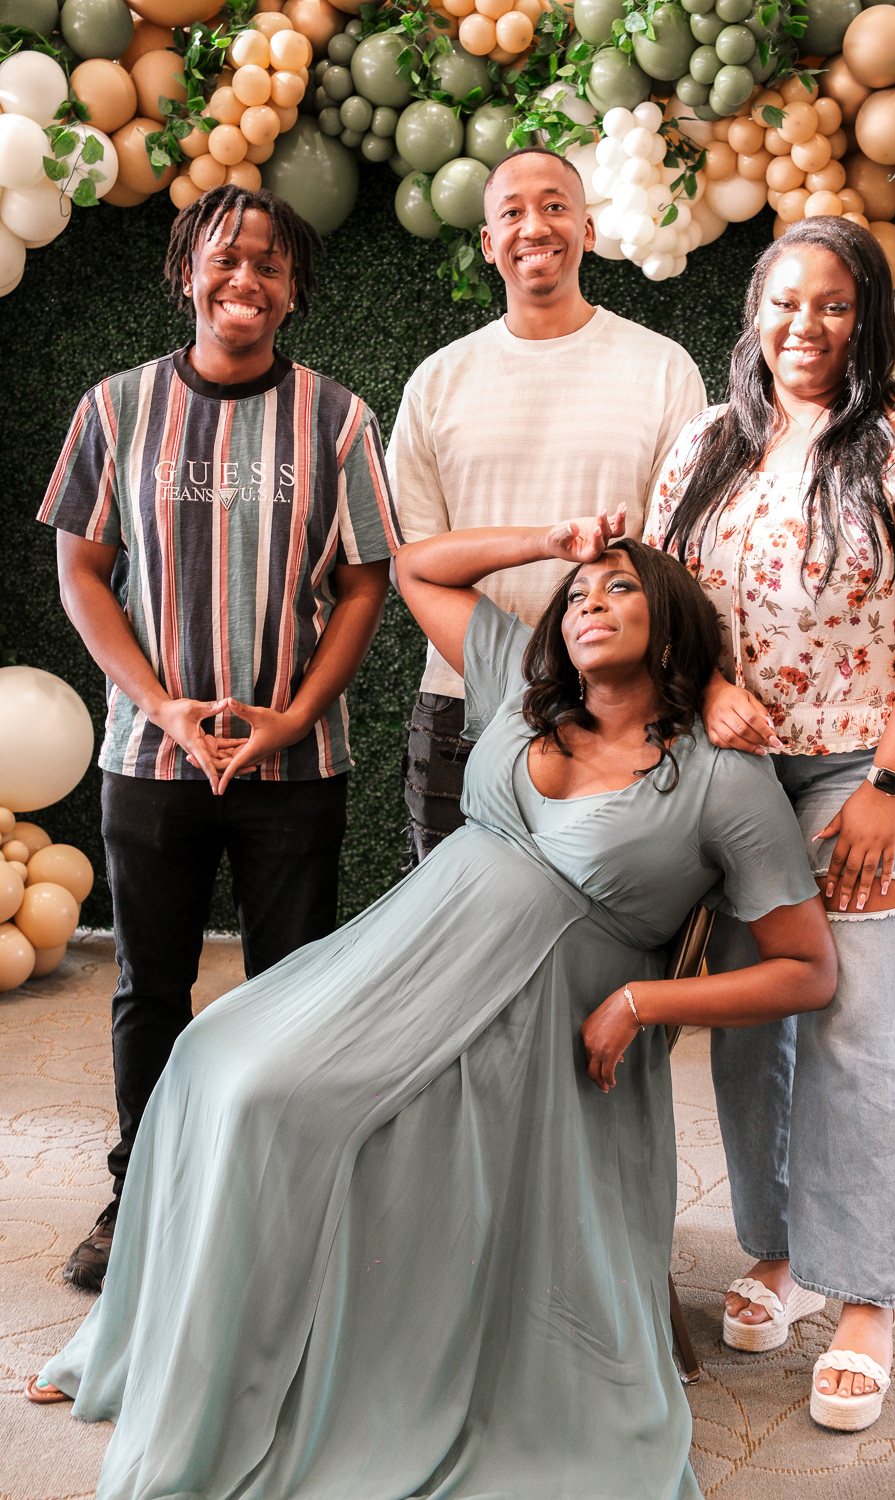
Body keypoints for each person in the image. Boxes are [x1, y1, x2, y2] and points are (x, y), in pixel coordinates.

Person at [25, 513, 838, 1500]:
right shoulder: (523, 690)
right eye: (577, 596)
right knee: (212, 1059)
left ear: (671, 620)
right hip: (398, 964)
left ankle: (306, 1383)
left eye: (619, 588)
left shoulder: (722, 777)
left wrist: (642, 999)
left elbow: (807, 970)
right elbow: (419, 570)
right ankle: (170, 1354)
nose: (588, 603)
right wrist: (557, 542)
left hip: (528, 1025)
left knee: (288, 1110)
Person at [643, 215, 895, 1434]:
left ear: (867, 318)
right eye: (785, 302)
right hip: (740, 767)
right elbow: (667, 596)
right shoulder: (706, 441)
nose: (805, 327)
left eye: (833, 305)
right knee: (754, 1019)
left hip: (872, 761)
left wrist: (884, 790)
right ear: (754, 310)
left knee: (852, 1022)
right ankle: (784, 1249)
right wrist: (708, 688)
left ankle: (862, 1298)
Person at [38, 185, 401, 1292]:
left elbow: (365, 582)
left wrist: (296, 713)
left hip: (296, 765)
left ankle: (279, 1201)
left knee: (290, 993)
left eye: (269, 264)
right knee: (150, 986)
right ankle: (140, 1194)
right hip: (151, 760)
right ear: (185, 273)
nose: (245, 278)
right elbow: (82, 571)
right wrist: (158, 703)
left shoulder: (338, 419)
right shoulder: (116, 409)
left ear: (293, 292)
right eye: (224, 257)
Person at [387, 145, 706, 862]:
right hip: (462, 704)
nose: (535, 226)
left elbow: (677, 559)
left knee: (603, 924)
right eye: (513, 213)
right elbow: (419, 563)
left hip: (618, 711)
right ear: (488, 242)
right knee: (450, 920)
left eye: (555, 206)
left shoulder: (663, 369)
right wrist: (512, 676)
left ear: (587, 230)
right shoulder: (436, 383)